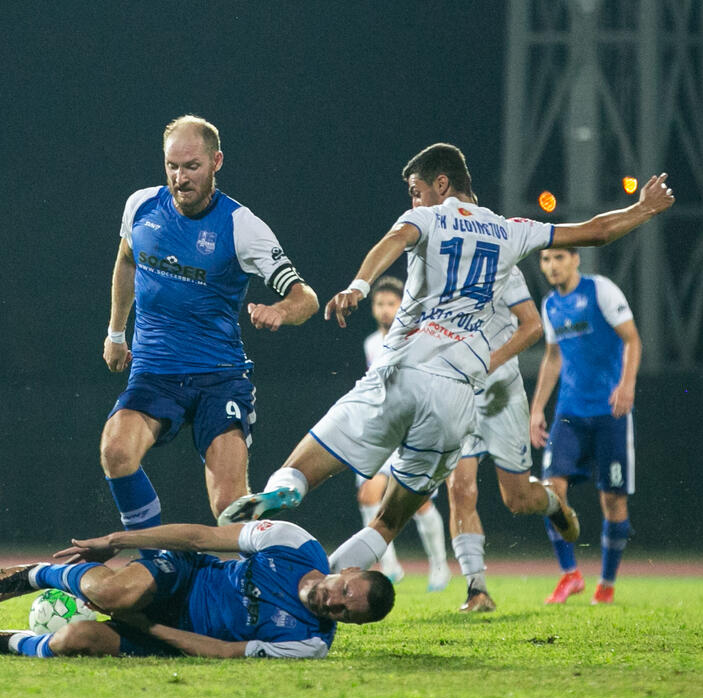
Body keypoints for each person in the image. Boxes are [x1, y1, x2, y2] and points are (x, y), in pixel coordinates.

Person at [217, 143, 673, 581]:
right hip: (456, 394)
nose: (413, 199)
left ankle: (287, 490)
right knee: (390, 520)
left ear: (440, 183)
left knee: (305, 466)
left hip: (401, 371)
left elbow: (395, 239)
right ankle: (322, 579)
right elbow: (594, 231)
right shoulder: (512, 228)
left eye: (416, 189)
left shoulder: (428, 217)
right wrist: (645, 209)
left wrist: (359, 285)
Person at [101, 115, 318, 535]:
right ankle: (155, 563)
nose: (180, 178)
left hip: (219, 377)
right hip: (155, 372)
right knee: (116, 451)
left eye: (191, 167)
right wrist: (115, 333)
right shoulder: (141, 206)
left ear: (216, 161)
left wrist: (280, 311)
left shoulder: (242, 227)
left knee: (229, 509)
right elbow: (126, 260)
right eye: (172, 166)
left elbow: (305, 297)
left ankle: (258, 581)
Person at [0, 519, 394, 659]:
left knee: (75, 639)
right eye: (344, 590)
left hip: (176, 633)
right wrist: (115, 541)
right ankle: (38, 574)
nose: (333, 602)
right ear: (348, 570)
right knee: (116, 595)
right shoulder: (295, 543)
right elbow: (200, 538)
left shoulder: (309, 641)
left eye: (344, 612)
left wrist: (147, 627)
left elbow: (222, 653)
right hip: (185, 574)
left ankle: (11, 644)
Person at [529, 247, 641, 605]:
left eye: (559, 257)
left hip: (609, 413)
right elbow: (553, 356)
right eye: (546, 260)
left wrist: (626, 385)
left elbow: (632, 339)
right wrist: (536, 410)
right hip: (569, 413)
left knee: (613, 500)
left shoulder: (600, 290)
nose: (551, 266)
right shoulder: (549, 305)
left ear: (576, 259)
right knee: (550, 491)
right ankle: (570, 574)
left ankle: (606, 584)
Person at [445, 264, 547, 613]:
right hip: (460, 393)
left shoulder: (500, 261)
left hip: (503, 392)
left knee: (518, 499)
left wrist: (489, 362)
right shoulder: (435, 257)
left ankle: (552, 503)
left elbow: (533, 325)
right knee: (460, 488)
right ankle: (476, 589)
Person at [357, 275, 450, 589]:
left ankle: (439, 567)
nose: (385, 310)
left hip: (411, 431)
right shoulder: (370, 343)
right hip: (383, 430)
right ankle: (390, 565)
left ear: (402, 306)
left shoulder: (416, 339)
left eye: (390, 304)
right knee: (368, 493)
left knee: (417, 501)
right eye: (379, 304)